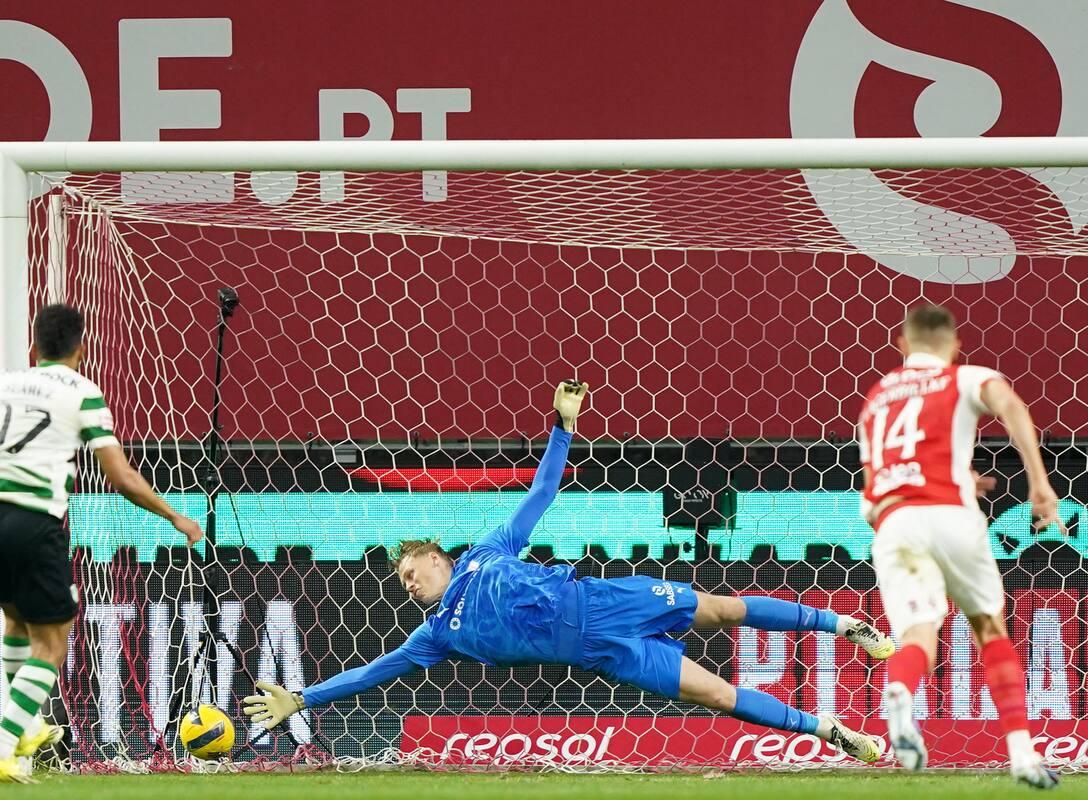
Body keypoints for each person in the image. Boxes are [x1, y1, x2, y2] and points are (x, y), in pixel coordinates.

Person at [244, 380, 894, 764]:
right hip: (604, 653)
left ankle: (845, 624)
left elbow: (543, 492)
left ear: (438, 557)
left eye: (412, 572)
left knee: (723, 608)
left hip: (612, 601)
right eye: (403, 584)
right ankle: (830, 732)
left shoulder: (490, 551)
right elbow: (370, 672)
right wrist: (302, 697)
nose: (408, 585)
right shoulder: (434, 635)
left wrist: (563, 426)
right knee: (720, 698)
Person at [0, 304, 203, 782]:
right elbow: (119, 477)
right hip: (33, 522)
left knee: (16, 620)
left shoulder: (2, 383)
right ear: (82, 348)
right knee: (54, 641)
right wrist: (175, 515)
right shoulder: (83, 392)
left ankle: (30, 725)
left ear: (32, 346)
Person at [858, 303, 1062, 789]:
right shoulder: (966, 377)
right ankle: (1021, 755)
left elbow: (875, 485)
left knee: (917, 639)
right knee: (989, 625)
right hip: (950, 514)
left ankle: (901, 692)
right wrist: (1039, 483)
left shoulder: (876, 399)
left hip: (894, 522)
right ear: (955, 346)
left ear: (902, 345)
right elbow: (1011, 406)